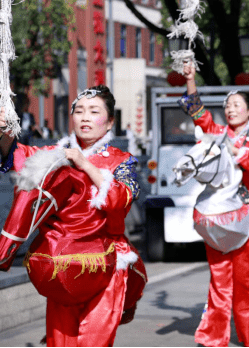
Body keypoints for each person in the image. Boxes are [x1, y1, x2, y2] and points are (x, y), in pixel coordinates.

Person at [0, 86, 144, 346]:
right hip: (61, 263)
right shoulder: (54, 155)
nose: (85, 117)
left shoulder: (123, 161)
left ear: (110, 121)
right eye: (79, 111)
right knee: (60, 341)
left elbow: (120, 198)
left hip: (105, 263)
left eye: (94, 111)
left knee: (94, 342)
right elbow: (18, 156)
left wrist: (85, 164)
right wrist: (3, 134)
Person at [178, 64, 249, 347]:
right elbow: (197, 113)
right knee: (218, 277)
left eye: (237, 104)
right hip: (217, 216)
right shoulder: (217, 133)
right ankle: (214, 335)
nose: (231, 109)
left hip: (248, 217)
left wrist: (241, 154)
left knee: (246, 281)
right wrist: (191, 80)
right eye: (228, 105)